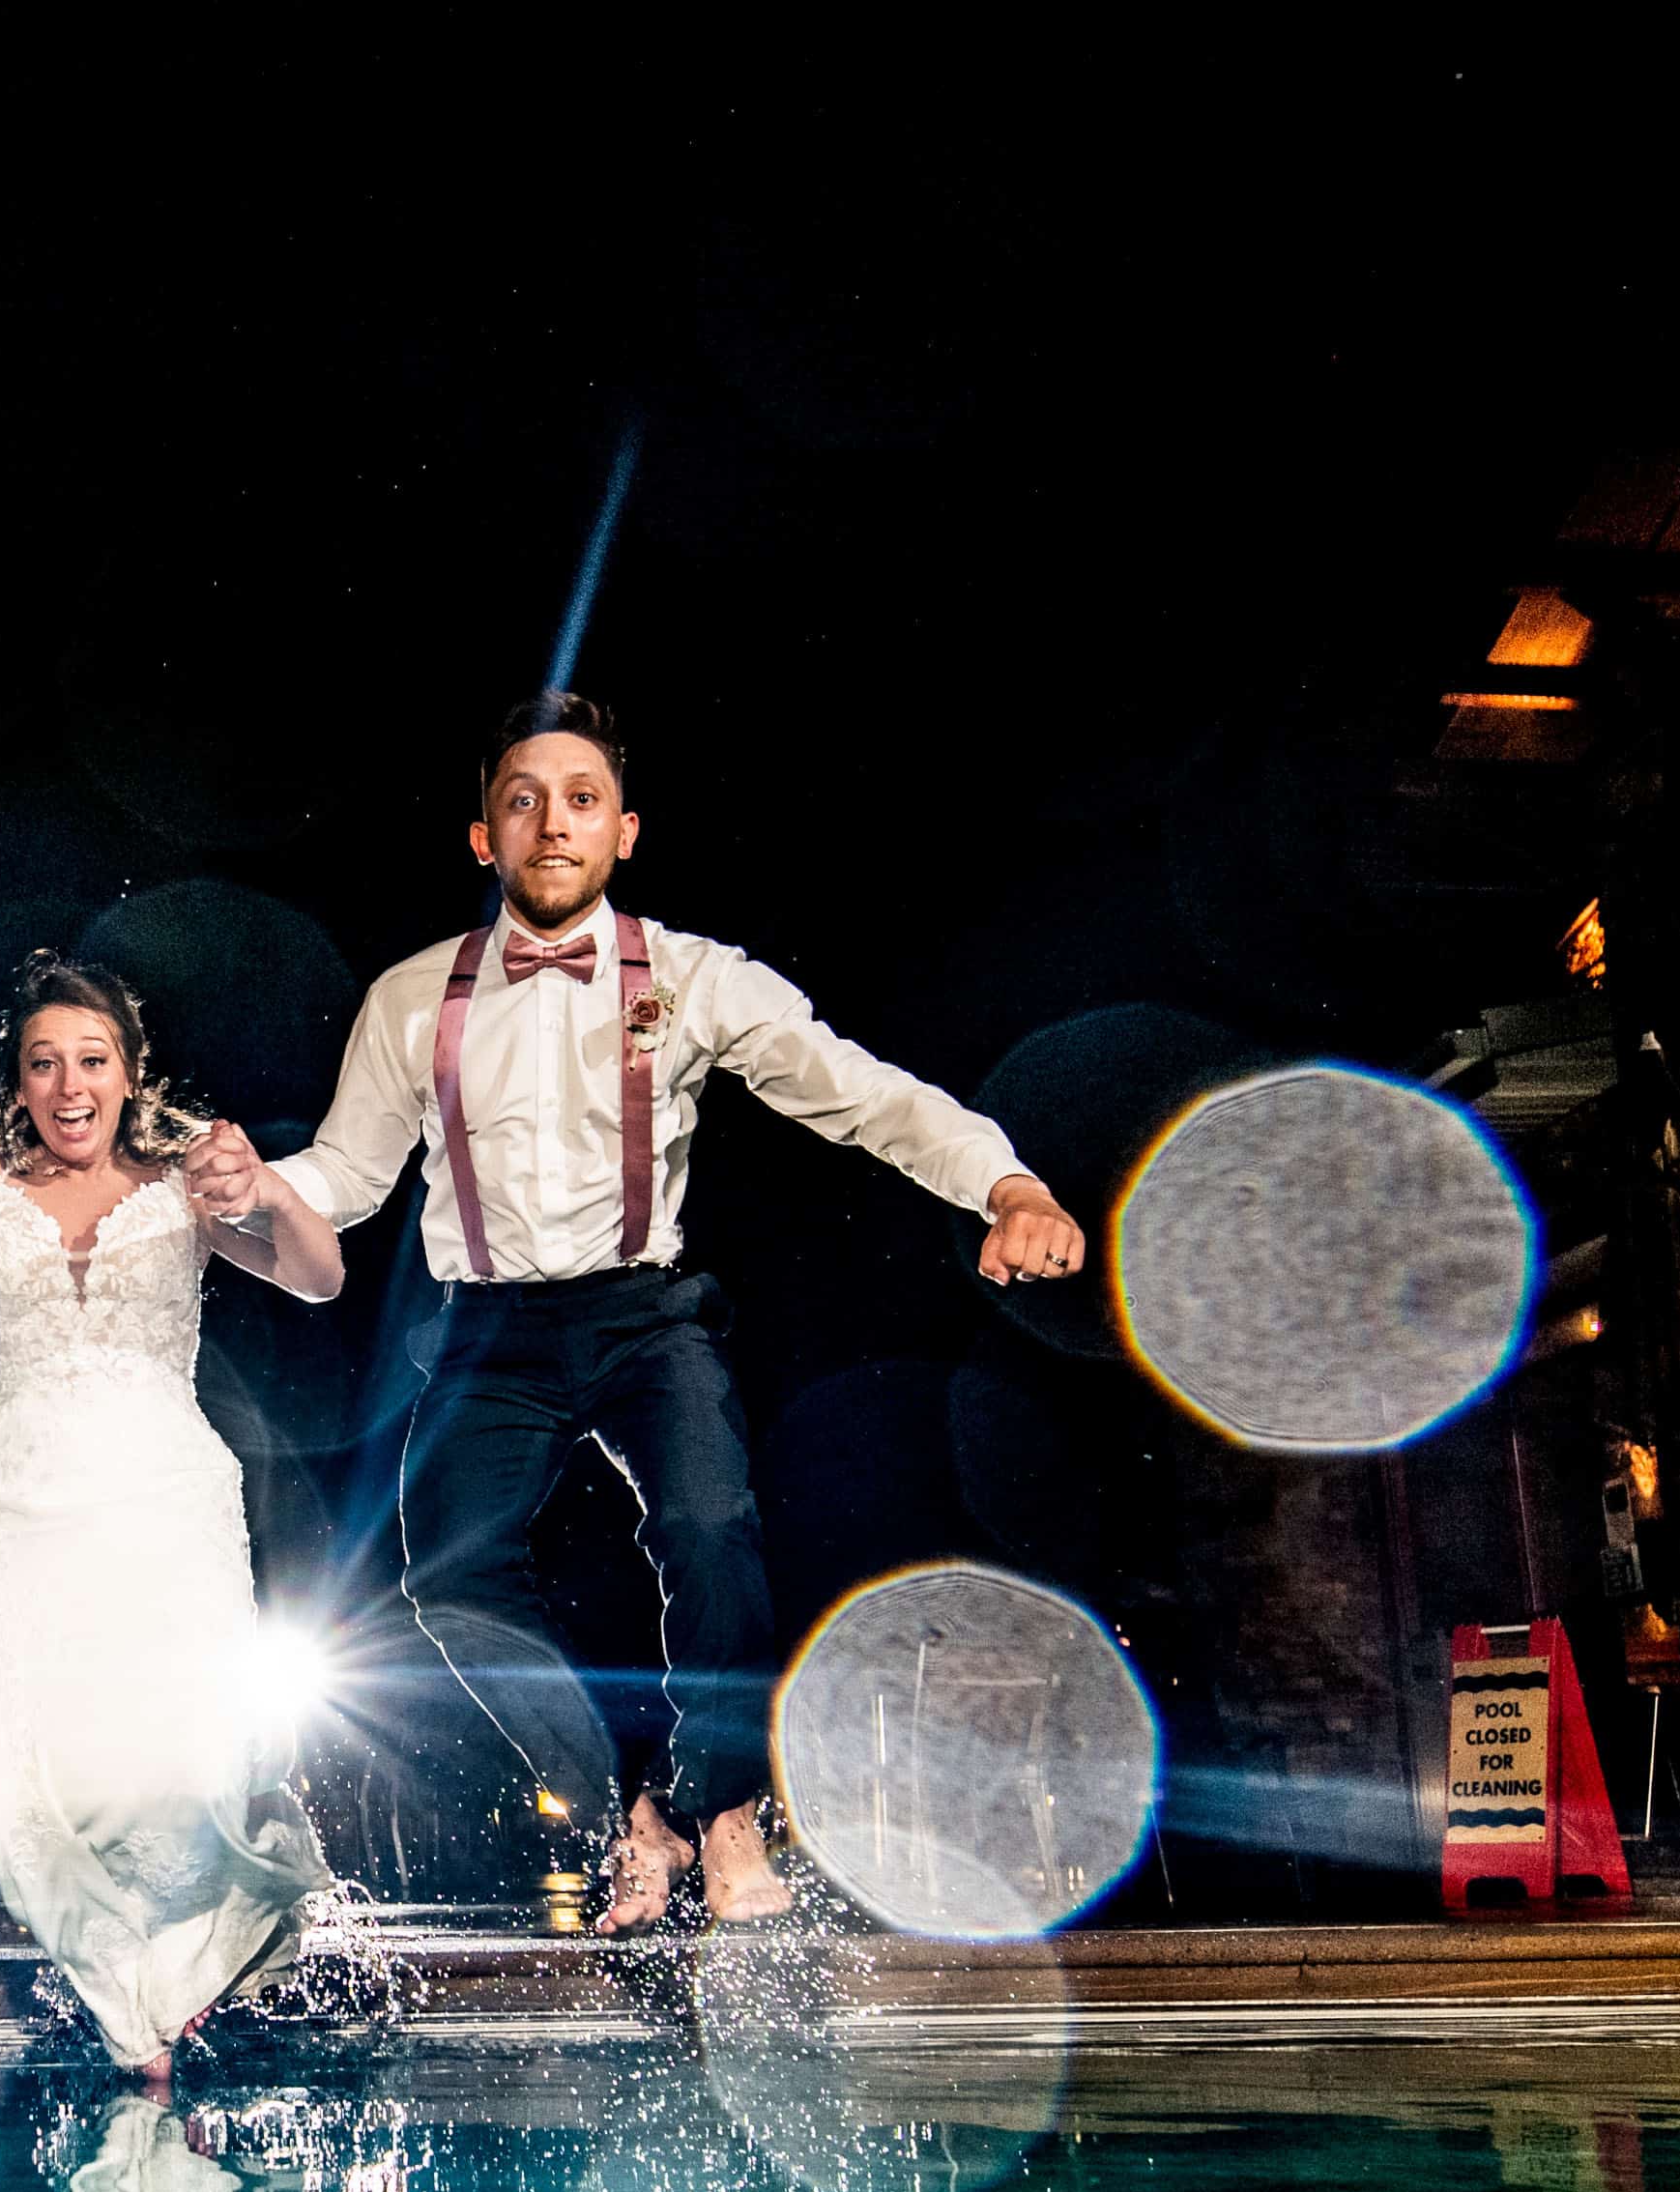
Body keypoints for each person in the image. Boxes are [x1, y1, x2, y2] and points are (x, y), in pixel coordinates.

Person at [270, 691, 1091, 1929]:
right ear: (482, 837)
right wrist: (243, 1192)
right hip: (487, 1328)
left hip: (646, 1316)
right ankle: (621, 1813)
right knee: (444, 1572)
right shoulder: (410, 1000)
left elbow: (862, 1094)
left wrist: (1007, 1182)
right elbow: (343, 1176)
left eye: (582, 801)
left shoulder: (699, 979)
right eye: (523, 801)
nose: (553, 825)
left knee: (710, 1524)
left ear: (626, 832)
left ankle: (721, 1809)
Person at [0, 914, 344, 2081]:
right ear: (20, 1079)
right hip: (18, 1524)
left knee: (176, 1782)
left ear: (130, 1074)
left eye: (93, 1058)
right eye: (46, 1060)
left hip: (165, 1522)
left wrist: (263, 1189)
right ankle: (128, 1998)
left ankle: (143, 2025)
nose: (70, 1083)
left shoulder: (188, 1189)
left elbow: (319, 1275)